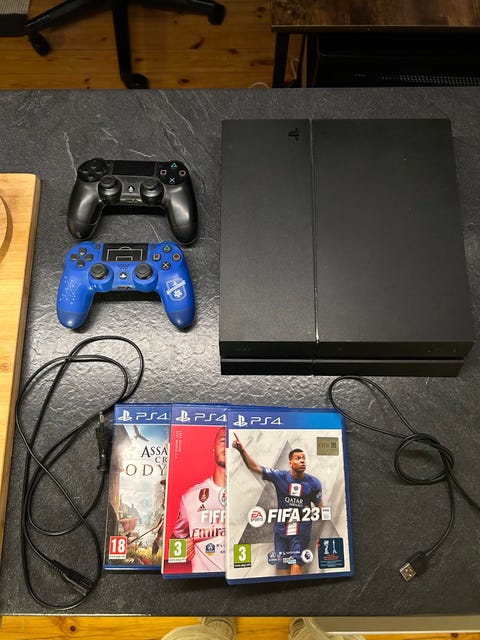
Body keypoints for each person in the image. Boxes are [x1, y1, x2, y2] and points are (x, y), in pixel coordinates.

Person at [232, 433, 322, 576]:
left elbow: (320, 508)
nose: (302, 461)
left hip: (300, 532)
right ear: (290, 462)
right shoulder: (280, 476)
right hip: (280, 532)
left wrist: (322, 535)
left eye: (303, 458)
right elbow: (254, 467)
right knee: (281, 570)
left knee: (297, 564)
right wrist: (242, 450)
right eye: (298, 458)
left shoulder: (314, 483)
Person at [170, 427, 226, 573]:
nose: (227, 445)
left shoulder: (256, 493)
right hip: (204, 581)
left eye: (232, 442)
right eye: (223, 440)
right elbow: (176, 539)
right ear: (213, 450)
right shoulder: (190, 496)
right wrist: (182, 548)